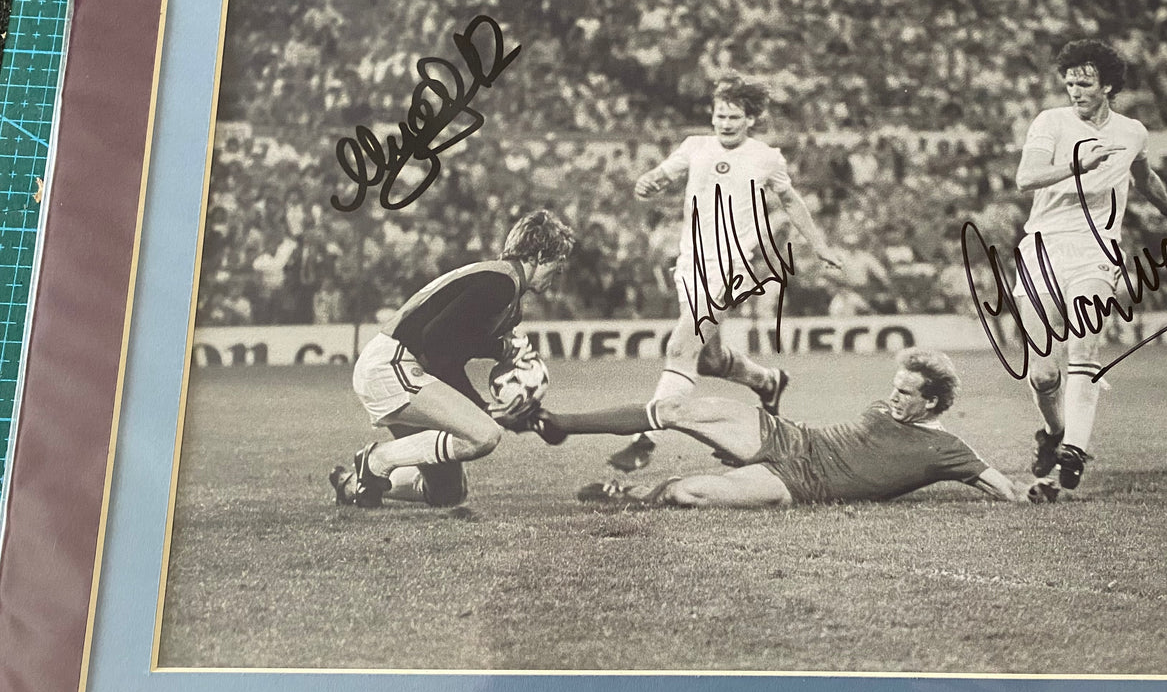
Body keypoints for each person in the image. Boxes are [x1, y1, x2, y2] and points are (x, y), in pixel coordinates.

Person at [606, 75, 841, 473]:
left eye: (734, 117)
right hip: (689, 265)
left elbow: (791, 200)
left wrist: (818, 244)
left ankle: (643, 441)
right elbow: (662, 175)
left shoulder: (766, 157)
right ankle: (768, 382)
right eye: (720, 115)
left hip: (730, 269)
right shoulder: (695, 146)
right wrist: (647, 183)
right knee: (709, 360)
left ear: (751, 119)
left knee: (680, 350)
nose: (726, 123)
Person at [1014, 39, 1167, 493]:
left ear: (1109, 86)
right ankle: (1054, 434)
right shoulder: (1050, 122)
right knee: (1042, 374)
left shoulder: (1132, 132)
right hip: (1042, 249)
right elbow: (1026, 178)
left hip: (1095, 254)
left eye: (1085, 83)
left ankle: (1074, 449)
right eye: (1070, 83)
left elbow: (1144, 177)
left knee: (1085, 350)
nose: (1075, 91)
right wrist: (1078, 164)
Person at [531, 348, 1025, 508]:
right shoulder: (884, 408)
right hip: (790, 437)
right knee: (682, 407)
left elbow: (1000, 485)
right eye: (894, 387)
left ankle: (629, 493)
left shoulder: (947, 450)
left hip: (802, 483)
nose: (893, 396)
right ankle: (562, 423)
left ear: (932, 402)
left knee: (693, 494)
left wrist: (1029, 494)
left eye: (905, 392)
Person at [330, 209, 575, 508]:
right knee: (483, 435)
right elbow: (436, 342)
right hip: (394, 364)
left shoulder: (502, 287)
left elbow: (449, 350)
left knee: (447, 492)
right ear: (538, 255)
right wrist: (487, 396)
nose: (559, 275)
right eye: (558, 265)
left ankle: (352, 485)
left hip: (399, 367)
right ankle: (376, 460)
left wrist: (506, 410)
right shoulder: (500, 283)